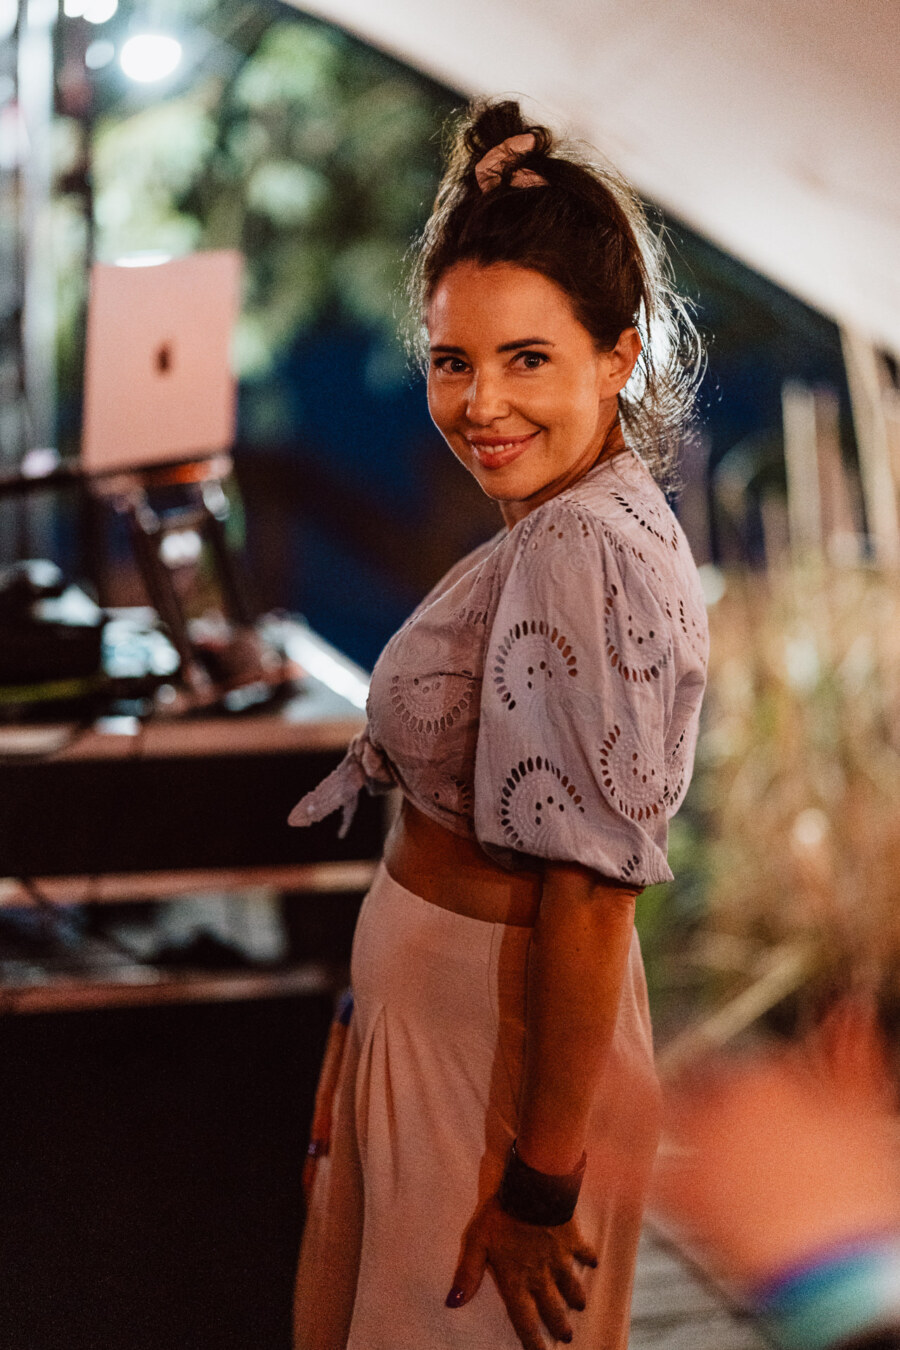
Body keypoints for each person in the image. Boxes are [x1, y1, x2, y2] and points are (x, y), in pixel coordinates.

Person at [288, 97, 708, 1350]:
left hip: (501, 1071)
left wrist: (539, 1183)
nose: (482, 403)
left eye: (529, 358)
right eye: (453, 360)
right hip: (444, 1040)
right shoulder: (570, 521)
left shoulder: (584, 550)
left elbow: (591, 893)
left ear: (618, 356)